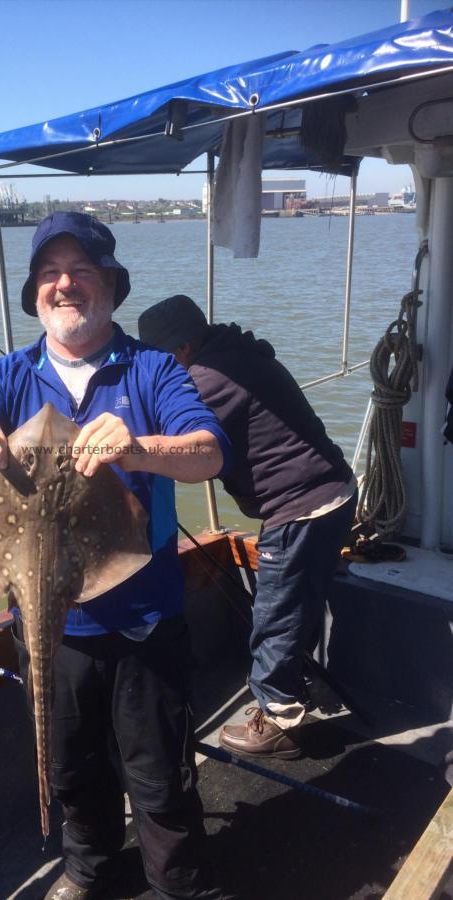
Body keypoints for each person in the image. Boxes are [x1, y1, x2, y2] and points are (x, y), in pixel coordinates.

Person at [0, 215, 232, 900]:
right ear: (35, 292)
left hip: (142, 624)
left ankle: (179, 887)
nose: (63, 285)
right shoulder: (9, 375)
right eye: (48, 274)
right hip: (48, 622)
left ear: (110, 286)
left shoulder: (150, 369)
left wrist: (136, 447)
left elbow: (209, 452)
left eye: (80, 273)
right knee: (70, 765)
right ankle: (88, 871)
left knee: (159, 776)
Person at [138, 295, 357, 761]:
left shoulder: (207, 378)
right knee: (299, 602)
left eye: (158, 359)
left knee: (275, 614)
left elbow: (175, 444)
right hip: (330, 493)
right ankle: (297, 686)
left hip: (301, 505)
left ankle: (279, 722)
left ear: (180, 348)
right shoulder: (234, 356)